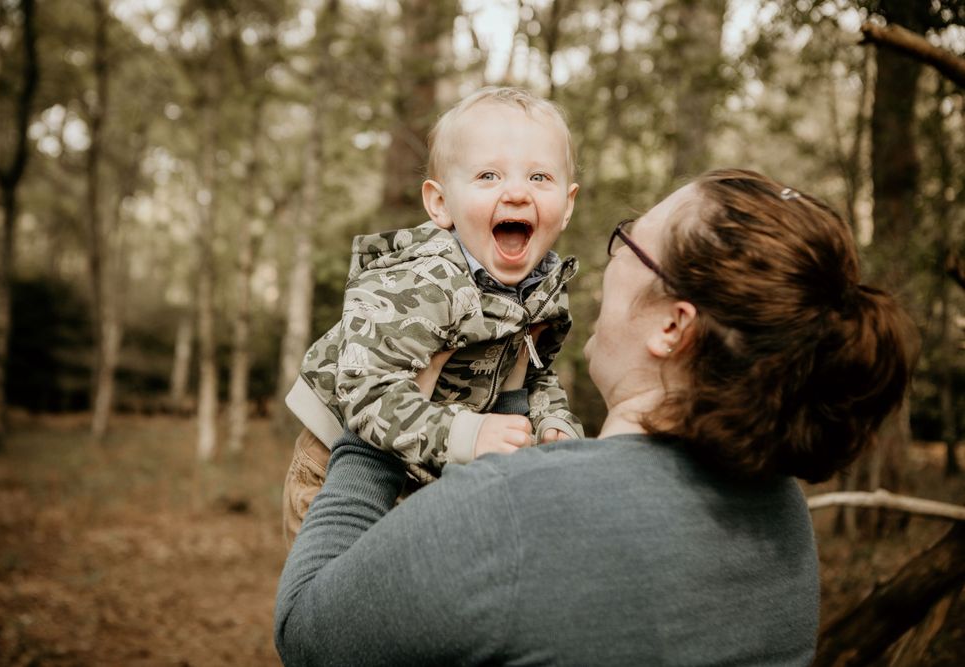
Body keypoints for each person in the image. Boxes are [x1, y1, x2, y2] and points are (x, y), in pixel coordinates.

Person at [274, 169, 918, 665]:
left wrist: (377, 420)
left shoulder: (510, 509)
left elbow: (308, 634)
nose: (612, 260)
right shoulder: (783, 515)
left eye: (630, 242)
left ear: (673, 326)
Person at [281, 87, 584, 543]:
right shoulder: (420, 280)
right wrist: (467, 434)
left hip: (425, 467)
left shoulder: (540, 289)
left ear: (568, 204)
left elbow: (535, 373)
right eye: (488, 175)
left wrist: (553, 422)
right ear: (441, 203)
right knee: (343, 582)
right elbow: (366, 390)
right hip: (334, 463)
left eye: (539, 177)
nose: (518, 192)